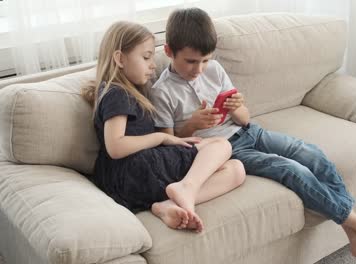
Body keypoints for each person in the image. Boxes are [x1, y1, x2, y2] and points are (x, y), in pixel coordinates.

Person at [150, 7, 356, 261]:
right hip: (223, 150)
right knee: (290, 170)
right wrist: (193, 125)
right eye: (191, 61)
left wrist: (237, 107)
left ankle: (351, 232)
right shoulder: (162, 91)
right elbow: (168, 141)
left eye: (205, 60)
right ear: (169, 52)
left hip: (249, 131)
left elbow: (245, 118)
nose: (198, 69)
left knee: (310, 153)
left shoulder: (215, 70)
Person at [81, 21, 245, 232]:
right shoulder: (116, 93)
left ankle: (167, 205)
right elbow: (115, 147)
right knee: (221, 145)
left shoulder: (124, 91)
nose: (153, 64)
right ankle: (186, 188)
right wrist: (162, 138)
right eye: (146, 57)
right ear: (119, 59)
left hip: (132, 178)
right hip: (135, 168)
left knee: (236, 170)